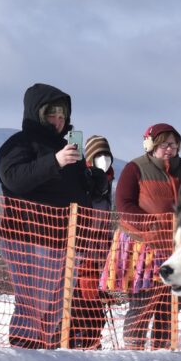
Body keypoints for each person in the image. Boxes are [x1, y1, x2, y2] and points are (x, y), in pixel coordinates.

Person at [0, 85, 108, 348]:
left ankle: (46, 354)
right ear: (38, 113)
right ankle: (24, 354)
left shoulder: (71, 145)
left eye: (62, 116)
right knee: (32, 304)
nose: (58, 122)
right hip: (30, 234)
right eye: (52, 116)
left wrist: (96, 182)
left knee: (55, 307)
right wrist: (54, 162)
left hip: (67, 237)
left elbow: (76, 187)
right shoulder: (21, 143)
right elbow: (13, 178)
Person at [109, 123, 181, 349]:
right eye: (163, 144)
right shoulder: (136, 168)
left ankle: (164, 347)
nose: (169, 149)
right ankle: (134, 345)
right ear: (151, 145)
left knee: (169, 301)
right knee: (143, 299)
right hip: (144, 246)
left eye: (172, 144)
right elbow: (124, 204)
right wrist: (149, 224)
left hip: (176, 248)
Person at [69, 134, 116, 348]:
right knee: (83, 299)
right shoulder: (84, 177)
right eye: (99, 155)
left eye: (107, 156)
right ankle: (78, 339)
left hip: (100, 250)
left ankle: (92, 339)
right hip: (82, 249)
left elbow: (105, 218)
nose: (104, 160)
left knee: (95, 301)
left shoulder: (108, 181)